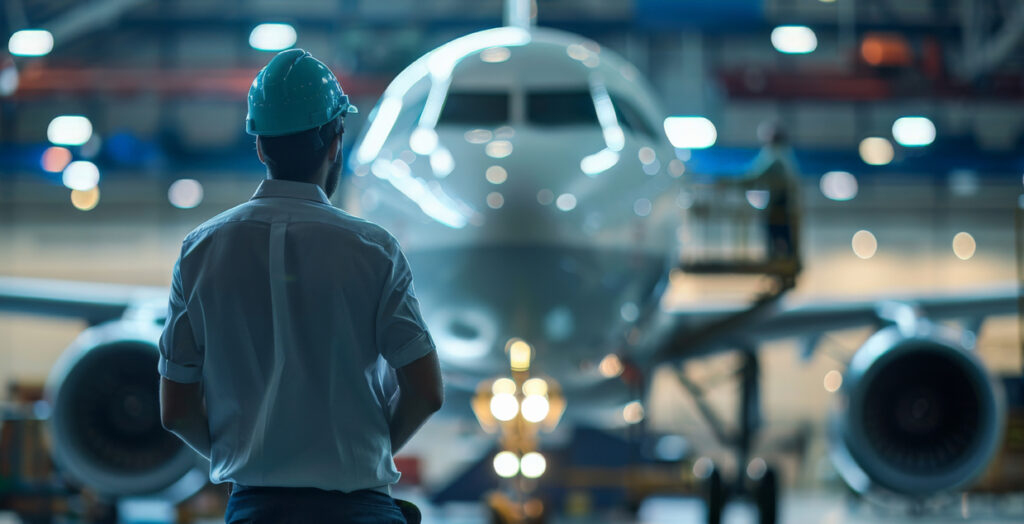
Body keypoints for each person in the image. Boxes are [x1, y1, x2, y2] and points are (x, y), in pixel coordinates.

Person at [157, 49, 442, 524]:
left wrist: (245, 457)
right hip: (359, 508)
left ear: (261, 147)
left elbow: (175, 409)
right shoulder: (374, 250)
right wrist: (367, 451)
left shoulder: (200, 251)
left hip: (255, 509)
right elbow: (426, 390)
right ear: (335, 142)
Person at [743, 121, 801, 266]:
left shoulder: (775, 156)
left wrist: (734, 182)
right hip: (783, 202)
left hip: (779, 201)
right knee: (782, 231)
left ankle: (777, 259)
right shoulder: (785, 155)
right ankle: (784, 257)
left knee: (775, 229)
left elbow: (757, 175)